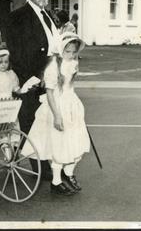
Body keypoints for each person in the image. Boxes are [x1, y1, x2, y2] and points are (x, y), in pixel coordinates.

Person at [5, 0, 61, 181]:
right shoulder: (17, 17)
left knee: (44, 121)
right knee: (31, 122)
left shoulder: (48, 15)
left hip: (51, 76)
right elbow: (17, 53)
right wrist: (34, 78)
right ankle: (39, 167)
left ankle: (40, 161)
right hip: (32, 79)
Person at [21, 32, 90, 195]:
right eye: (68, 51)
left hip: (71, 104)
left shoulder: (73, 63)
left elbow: (70, 87)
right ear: (60, 49)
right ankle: (56, 181)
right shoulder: (53, 67)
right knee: (59, 144)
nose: (71, 55)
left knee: (75, 141)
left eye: (74, 52)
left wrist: (76, 107)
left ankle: (68, 174)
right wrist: (57, 116)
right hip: (56, 107)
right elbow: (50, 93)